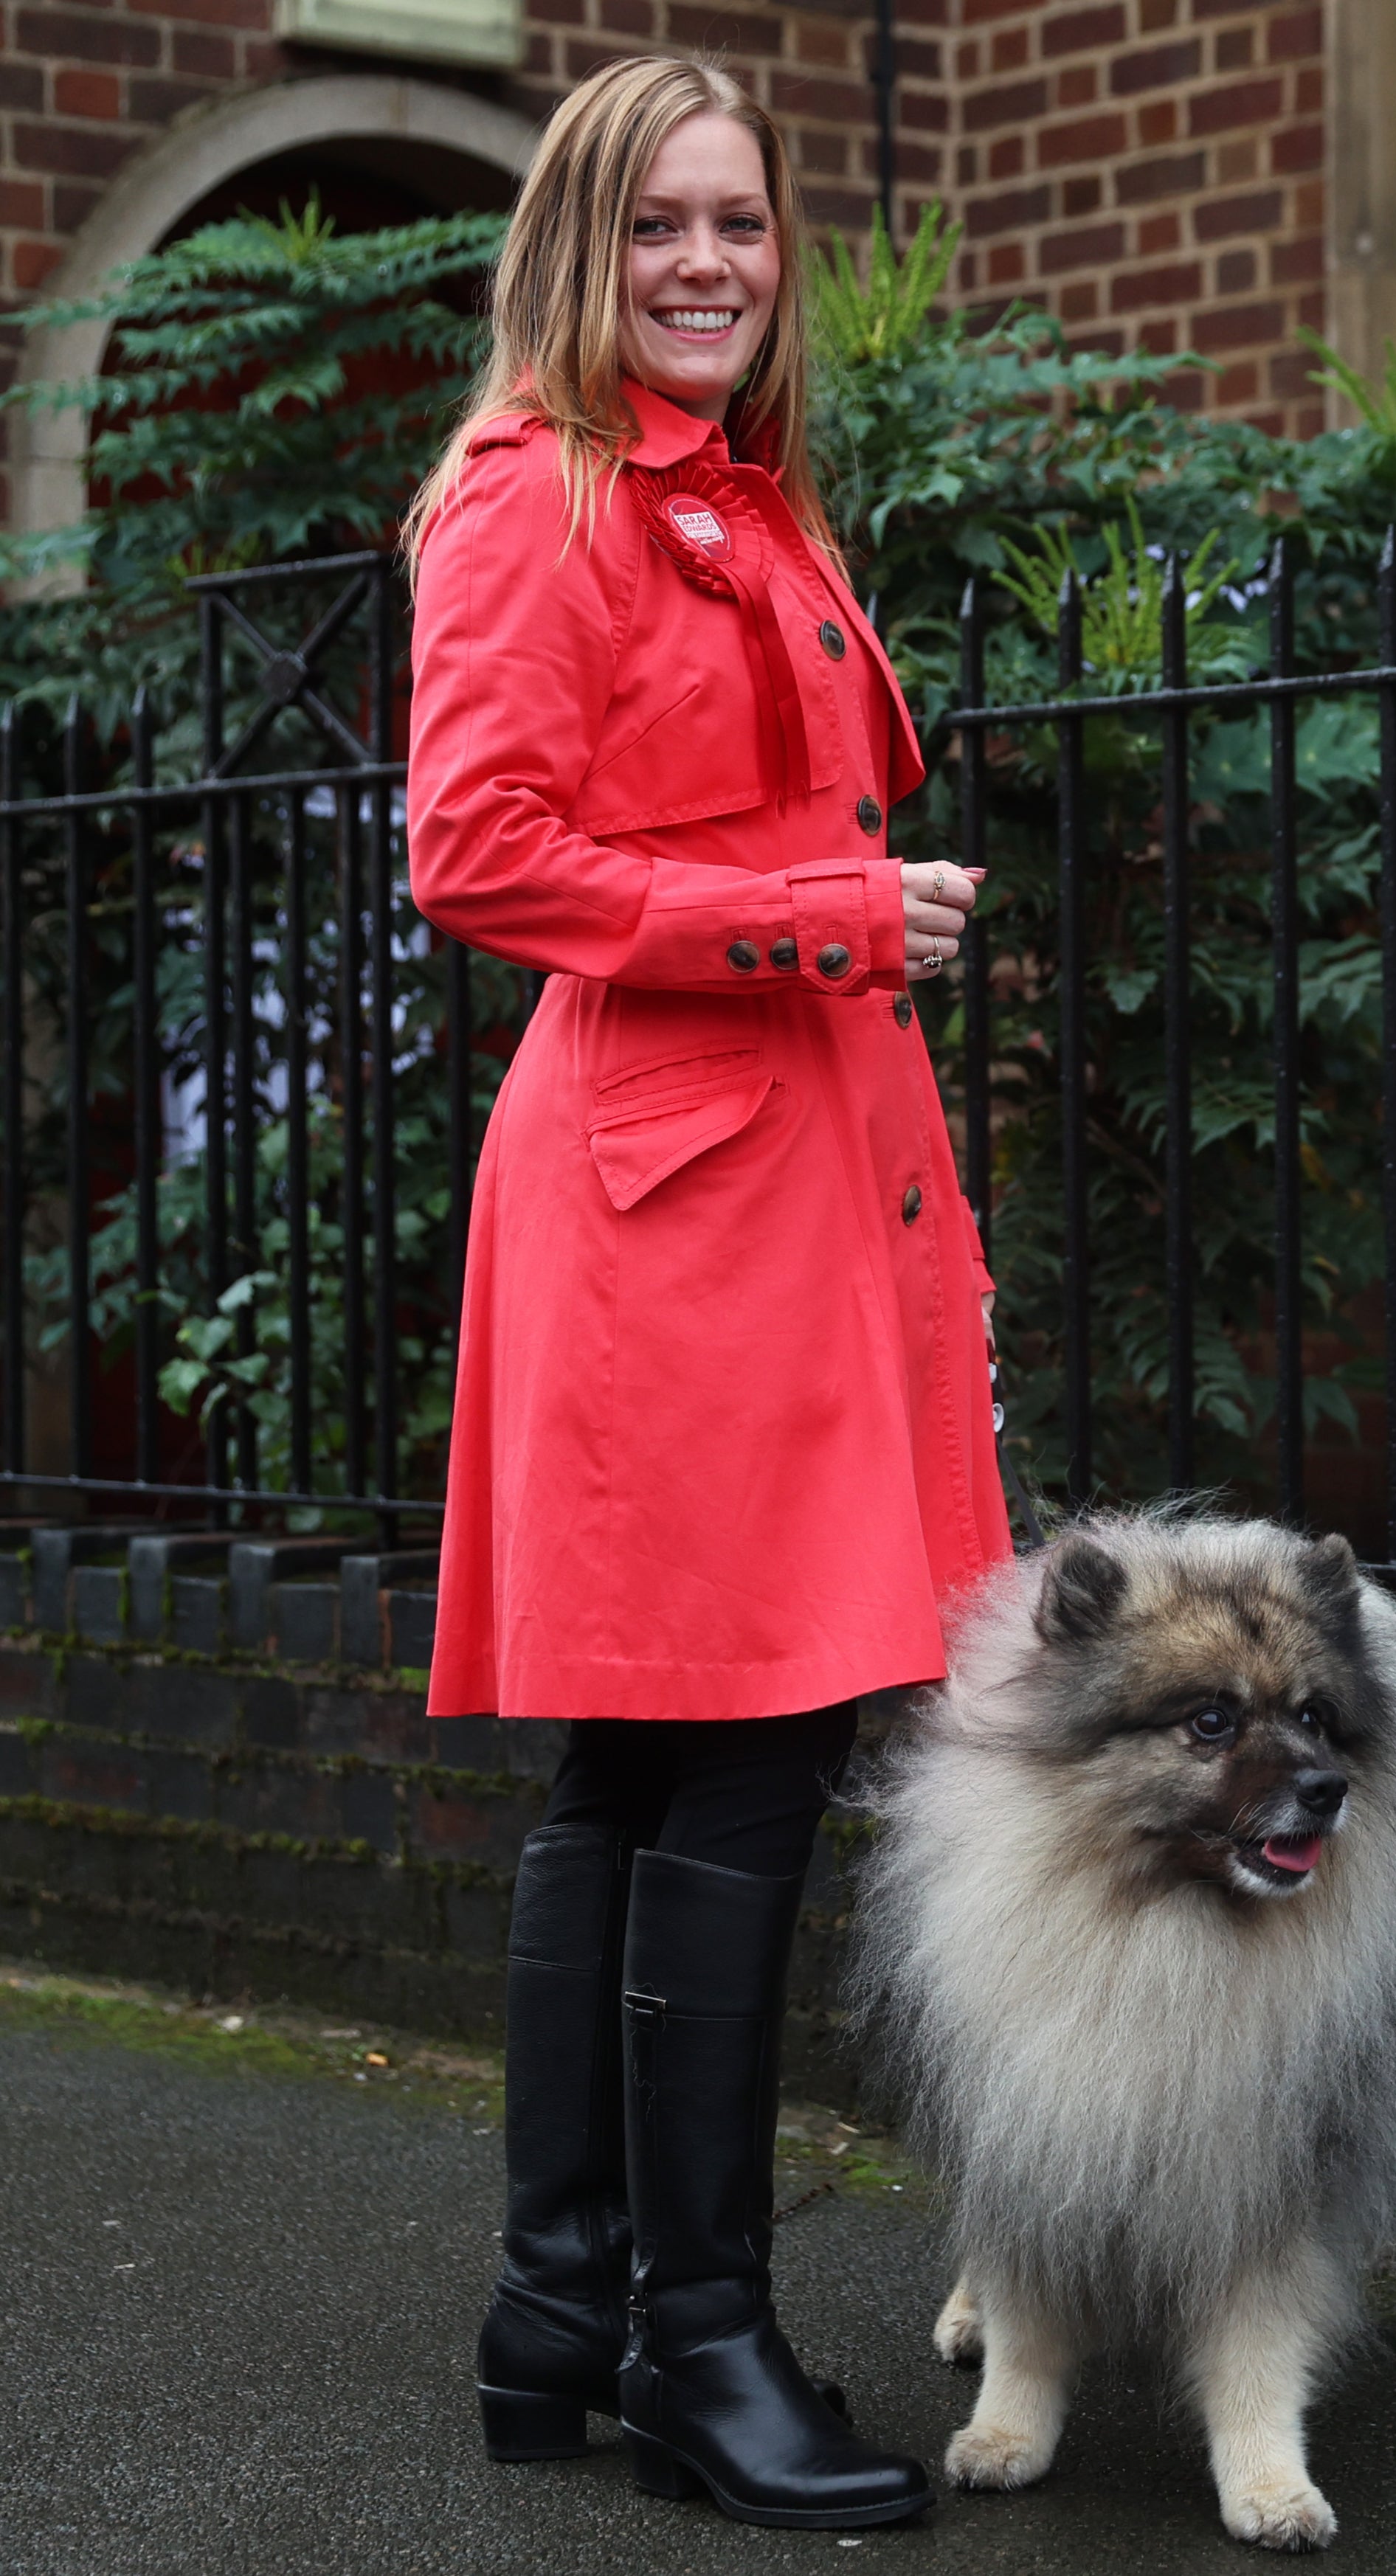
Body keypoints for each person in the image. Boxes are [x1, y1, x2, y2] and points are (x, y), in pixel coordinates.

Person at [402, 54, 1009, 2533]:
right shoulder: (529, 499)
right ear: (580, 241)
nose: (705, 265)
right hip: (675, 1191)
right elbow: (478, 850)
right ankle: (696, 2338)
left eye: (740, 224)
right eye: (658, 225)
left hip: (779, 1182)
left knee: (639, 1760)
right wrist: (824, 916)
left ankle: (567, 2304)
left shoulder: (744, 497)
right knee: (741, 1741)